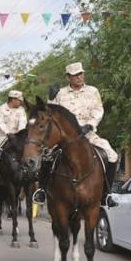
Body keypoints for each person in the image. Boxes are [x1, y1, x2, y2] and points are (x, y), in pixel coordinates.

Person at [49, 62, 119, 204]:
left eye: (80, 74)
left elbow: (98, 110)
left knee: (112, 156)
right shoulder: (61, 93)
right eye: (75, 75)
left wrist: (90, 125)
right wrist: (50, 98)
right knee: (46, 157)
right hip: (65, 138)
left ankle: (107, 193)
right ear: (68, 77)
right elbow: (51, 113)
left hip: (88, 135)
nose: (79, 78)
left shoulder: (93, 91)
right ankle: (43, 192)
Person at [0, 90, 27, 173]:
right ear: (13, 100)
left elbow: (23, 123)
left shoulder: (21, 110)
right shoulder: (1, 109)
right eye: (19, 100)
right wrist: (8, 133)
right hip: (1, 137)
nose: (20, 102)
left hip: (16, 138)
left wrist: (19, 134)